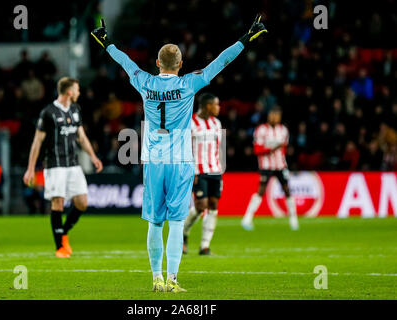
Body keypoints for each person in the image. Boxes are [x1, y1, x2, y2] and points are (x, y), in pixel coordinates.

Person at [91, 15, 267, 292]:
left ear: (158, 63)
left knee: (154, 221)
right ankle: (172, 280)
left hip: (153, 160)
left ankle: (156, 278)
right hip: (181, 161)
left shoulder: (144, 81)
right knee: (175, 222)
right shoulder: (189, 84)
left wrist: (106, 41)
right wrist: (246, 38)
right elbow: (220, 62)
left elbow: (125, 63)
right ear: (181, 65)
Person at [23, 77, 103, 258]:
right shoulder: (48, 112)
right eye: (77, 90)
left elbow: (81, 137)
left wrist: (93, 156)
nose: (79, 93)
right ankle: (60, 247)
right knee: (57, 202)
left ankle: (64, 231)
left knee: (82, 203)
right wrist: (30, 168)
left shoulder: (75, 110)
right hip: (54, 165)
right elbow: (37, 141)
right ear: (69, 92)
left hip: (73, 164)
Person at [241, 107, 299, 231]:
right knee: (261, 191)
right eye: (273, 115)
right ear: (269, 116)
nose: (275, 118)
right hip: (266, 165)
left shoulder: (283, 130)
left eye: (277, 116)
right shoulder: (261, 130)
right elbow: (257, 149)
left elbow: (283, 149)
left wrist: (279, 150)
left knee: (287, 189)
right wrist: (274, 147)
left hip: (280, 165)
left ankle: (293, 218)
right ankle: (247, 218)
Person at [183, 93, 223, 255]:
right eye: (216, 104)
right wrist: (190, 171)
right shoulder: (190, 122)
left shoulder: (216, 123)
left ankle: (205, 246)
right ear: (208, 106)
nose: (218, 108)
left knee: (213, 206)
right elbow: (184, 148)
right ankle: (183, 233)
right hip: (198, 171)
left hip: (215, 170)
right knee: (200, 207)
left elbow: (218, 148)